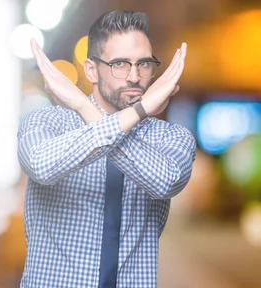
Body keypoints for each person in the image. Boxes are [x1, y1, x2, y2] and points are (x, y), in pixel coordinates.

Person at [17, 10, 196, 288]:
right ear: (91, 70)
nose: (135, 77)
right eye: (120, 64)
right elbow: (41, 164)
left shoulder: (170, 137)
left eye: (144, 64)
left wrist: (93, 110)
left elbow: (166, 181)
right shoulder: (49, 121)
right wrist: (134, 111)